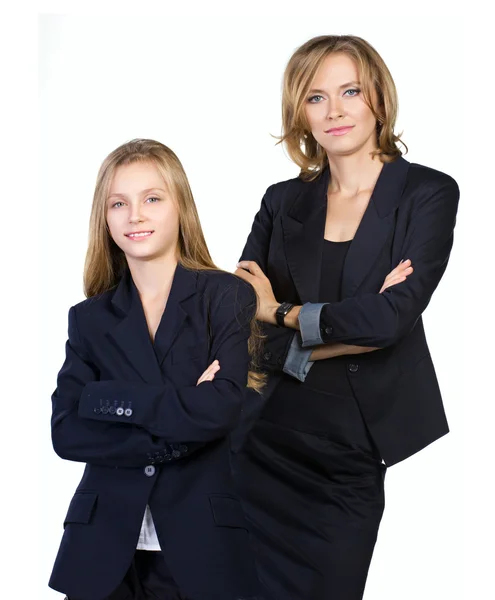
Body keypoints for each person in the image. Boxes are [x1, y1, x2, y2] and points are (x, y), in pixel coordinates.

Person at [233, 35, 460, 600]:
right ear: (299, 113)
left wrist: (281, 312)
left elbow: (390, 323)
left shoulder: (427, 194)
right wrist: (339, 326)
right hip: (259, 440)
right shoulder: (281, 201)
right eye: (315, 97)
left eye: (350, 91)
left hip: (349, 455)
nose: (334, 111)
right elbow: (238, 319)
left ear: (377, 98)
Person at [48, 139, 264, 600]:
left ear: (179, 205)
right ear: (104, 218)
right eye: (118, 203)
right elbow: (66, 432)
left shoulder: (225, 297)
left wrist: (109, 400)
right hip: (102, 549)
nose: (135, 215)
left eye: (151, 198)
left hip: (200, 548)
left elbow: (222, 409)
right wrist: (186, 404)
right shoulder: (88, 318)